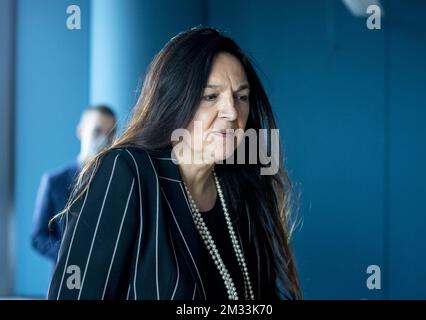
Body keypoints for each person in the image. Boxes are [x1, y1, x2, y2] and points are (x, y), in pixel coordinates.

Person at [48, 27, 301, 300]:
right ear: (174, 101)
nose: (231, 112)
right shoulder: (125, 172)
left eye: (241, 96)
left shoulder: (243, 187)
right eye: (210, 96)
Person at [31, 105, 117, 266]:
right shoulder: (54, 181)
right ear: (81, 131)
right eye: (97, 131)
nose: (104, 139)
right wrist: (70, 255)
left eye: (110, 133)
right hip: (67, 280)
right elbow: (39, 237)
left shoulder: (119, 181)